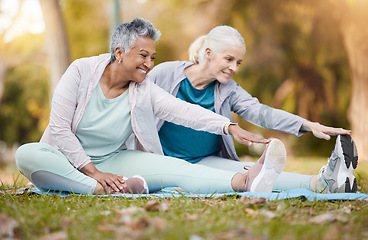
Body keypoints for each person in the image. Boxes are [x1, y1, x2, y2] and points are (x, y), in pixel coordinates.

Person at [15, 18, 287, 195]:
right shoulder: (81, 71)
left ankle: (245, 182)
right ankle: (99, 188)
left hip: (113, 159)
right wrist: (95, 173)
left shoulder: (143, 89)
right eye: (143, 55)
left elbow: (184, 111)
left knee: (177, 168)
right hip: (65, 159)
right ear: (119, 53)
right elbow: (60, 129)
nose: (149, 64)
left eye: (152, 57)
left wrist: (227, 126)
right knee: (26, 154)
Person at [147, 25, 359, 193]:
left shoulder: (228, 89)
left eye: (238, 62)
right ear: (209, 53)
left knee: (257, 176)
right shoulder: (164, 73)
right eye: (229, 59)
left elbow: (261, 113)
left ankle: (324, 182)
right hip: (165, 161)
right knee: (241, 178)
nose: (234, 68)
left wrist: (306, 124)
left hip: (207, 161)